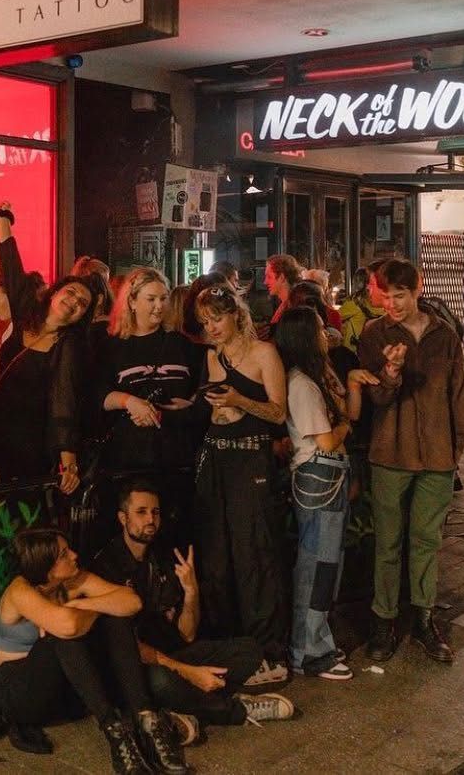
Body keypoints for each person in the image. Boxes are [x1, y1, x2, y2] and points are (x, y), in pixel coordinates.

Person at [94, 481, 294, 731]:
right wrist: (187, 671)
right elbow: (124, 645)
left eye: (155, 512)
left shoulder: (162, 555)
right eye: (141, 512)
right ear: (122, 518)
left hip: (174, 653)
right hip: (140, 668)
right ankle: (235, 709)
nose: (151, 520)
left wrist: (191, 591)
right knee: (162, 682)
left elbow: (186, 634)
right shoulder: (106, 565)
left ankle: (182, 709)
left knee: (249, 649)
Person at [0, 526, 188, 774]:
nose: (74, 555)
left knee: (114, 617)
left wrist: (82, 603)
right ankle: (115, 732)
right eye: (63, 554)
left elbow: (131, 601)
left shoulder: (74, 580)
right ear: (46, 567)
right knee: (62, 634)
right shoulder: (20, 591)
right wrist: (92, 608)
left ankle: (147, 719)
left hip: (65, 689)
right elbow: (69, 625)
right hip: (23, 693)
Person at [357, 258, 464, 664]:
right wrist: (390, 371)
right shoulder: (374, 334)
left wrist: (456, 449)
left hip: (438, 455)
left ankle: (424, 619)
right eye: (385, 296)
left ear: (417, 290)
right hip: (390, 452)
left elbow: (458, 393)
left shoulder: (443, 335)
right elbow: (376, 399)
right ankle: (383, 621)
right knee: (387, 542)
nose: (392, 304)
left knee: (427, 540)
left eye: (399, 295)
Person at [192, 284, 290, 682]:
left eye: (217, 318)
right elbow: (202, 407)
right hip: (215, 455)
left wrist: (239, 401)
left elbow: (279, 412)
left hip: (252, 458)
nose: (212, 328)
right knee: (217, 556)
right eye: (205, 322)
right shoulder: (210, 356)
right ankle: (225, 645)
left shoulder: (264, 353)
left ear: (236, 315)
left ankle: (268, 652)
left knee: (255, 553)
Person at [275, 306, 376, 680]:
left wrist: (352, 385)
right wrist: (346, 427)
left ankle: (317, 643)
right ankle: (308, 651)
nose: (326, 332)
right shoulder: (300, 383)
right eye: (319, 328)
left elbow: (351, 414)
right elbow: (330, 440)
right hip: (318, 475)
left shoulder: (322, 373)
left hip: (330, 476)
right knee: (317, 567)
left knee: (328, 565)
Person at [0, 203, 98, 492]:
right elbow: (11, 266)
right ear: (55, 292)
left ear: (83, 316)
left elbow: (63, 402)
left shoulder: (66, 345)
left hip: (27, 441)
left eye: (83, 304)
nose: (74, 302)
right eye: (71, 292)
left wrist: (68, 463)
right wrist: (3, 218)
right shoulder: (26, 314)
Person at [98, 268, 203, 473]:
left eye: (164, 298)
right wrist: (129, 402)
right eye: (151, 299)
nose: (159, 306)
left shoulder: (181, 344)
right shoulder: (113, 347)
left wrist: (192, 401)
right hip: (130, 455)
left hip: (179, 453)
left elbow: (206, 384)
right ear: (132, 302)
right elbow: (99, 395)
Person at [338, 266, 384, 352]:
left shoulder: (355, 303)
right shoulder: (382, 303)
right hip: (377, 349)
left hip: (355, 350)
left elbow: (335, 317)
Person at [263, 254, 303, 326]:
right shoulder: (286, 303)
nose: (265, 282)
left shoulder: (293, 309)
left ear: (282, 277)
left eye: (269, 277)